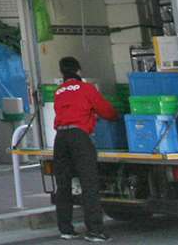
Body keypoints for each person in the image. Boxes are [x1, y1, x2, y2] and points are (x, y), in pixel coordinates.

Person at [50, 55, 118, 241]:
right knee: (89, 183)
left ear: (62, 73)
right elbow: (105, 110)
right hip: (79, 136)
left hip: (60, 138)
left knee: (63, 185)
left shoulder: (58, 92)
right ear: (78, 71)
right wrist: (116, 116)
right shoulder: (86, 88)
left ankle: (66, 229)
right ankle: (95, 230)